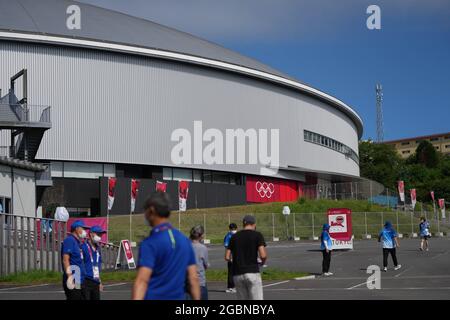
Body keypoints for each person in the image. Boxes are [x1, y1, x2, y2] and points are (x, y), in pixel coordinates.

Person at [132, 191, 200, 300]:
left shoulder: (150, 243)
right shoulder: (184, 240)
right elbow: (193, 278)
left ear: (151, 210)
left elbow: (142, 281)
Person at [225, 215, 267, 300]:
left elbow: (227, 256)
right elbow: (263, 255)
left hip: (238, 273)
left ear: (243, 224)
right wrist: (262, 262)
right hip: (252, 271)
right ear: (254, 224)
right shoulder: (257, 235)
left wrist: (234, 263)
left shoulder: (234, 236)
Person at [61, 220, 88, 300]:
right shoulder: (69, 240)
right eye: (83, 228)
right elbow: (66, 260)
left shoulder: (78, 243)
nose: (85, 231)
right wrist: (70, 277)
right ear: (76, 229)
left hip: (80, 278)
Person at [81, 225, 106, 300]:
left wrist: (99, 282)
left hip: (95, 281)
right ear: (91, 234)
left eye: (101, 235)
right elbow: (80, 264)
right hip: (86, 281)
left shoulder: (98, 249)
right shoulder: (83, 247)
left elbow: (97, 267)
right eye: (98, 234)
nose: (100, 237)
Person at [188, 225, 209, 300]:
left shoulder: (186, 246)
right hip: (200, 282)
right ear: (201, 235)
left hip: (187, 281)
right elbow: (206, 265)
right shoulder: (203, 248)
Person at [223, 222, 238, 293]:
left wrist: (227, 256)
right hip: (239, 256)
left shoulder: (228, 235)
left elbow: (226, 246)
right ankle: (235, 286)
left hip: (231, 256)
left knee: (231, 272)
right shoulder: (239, 234)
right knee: (237, 272)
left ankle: (230, 287)